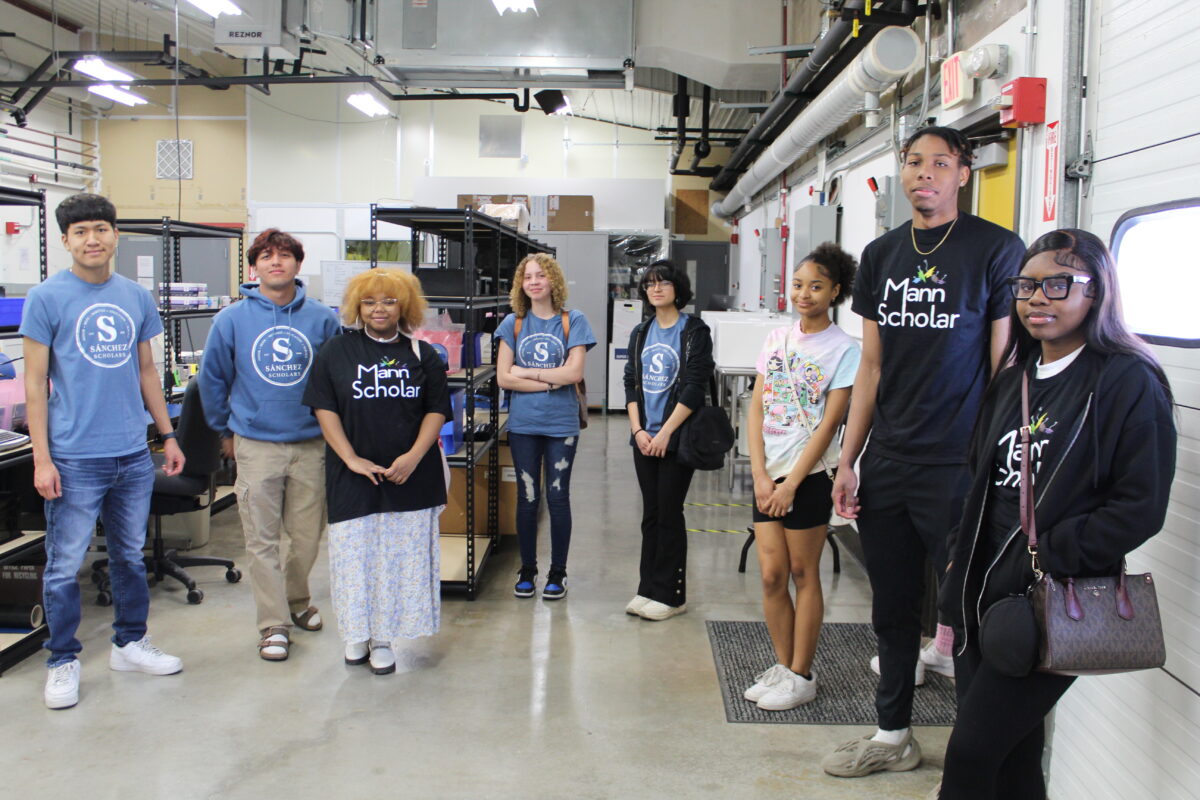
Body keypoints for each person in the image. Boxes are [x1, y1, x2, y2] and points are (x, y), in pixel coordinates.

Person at [934, 229, 1176, 799]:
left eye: (1058, 284)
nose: (1038, 297)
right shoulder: (1013, 378)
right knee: (1013, 759)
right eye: (1027, 285)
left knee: (969, 758)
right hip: (978, 594)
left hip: (1050, 599)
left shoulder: (1126, 380)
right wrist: (955, 556)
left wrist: (1056, 555)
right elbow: (978, 480)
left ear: (1098, 293)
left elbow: (1140, 505)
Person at [822, 126, 1026, 777]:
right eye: (914, 162)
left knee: (965, 611)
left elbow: (1002, 366)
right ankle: (892, 734)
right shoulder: (882, 254)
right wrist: (848, 459)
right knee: (891, 608)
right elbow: (872, 367)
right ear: (903, 173)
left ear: (963, 173)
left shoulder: (996, 250)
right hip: (889, 464)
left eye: (941, 162)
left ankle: (975, 743)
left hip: (960, 467)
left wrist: (994, 462)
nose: (925, 173)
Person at [22, 193, 186, 710]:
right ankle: (62, 659)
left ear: (115, 235)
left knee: (129, 559)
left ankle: (129, 643)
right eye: (80, 232)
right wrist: (42, 459)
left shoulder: (135, 297)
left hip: (132, 455)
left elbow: (146, 372)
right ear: (66, 241)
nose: (92, 239)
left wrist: (167, 435)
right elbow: (34, 384)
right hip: (74, 456)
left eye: (101, 229)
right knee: (64, 564)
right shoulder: (46, 297)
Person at [199, 229, 341, 662]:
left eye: (284, 256)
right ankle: (272, 623)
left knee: (306, 538)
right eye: (266, 256)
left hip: (312, 443)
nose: (275, 262)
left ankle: (298, 602)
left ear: (298, 265)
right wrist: (224, 431)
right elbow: (213, 380)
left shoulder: (322, 318)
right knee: (260, 541)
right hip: (255, 444)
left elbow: (336, 379)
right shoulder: (232, 319)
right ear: (253, 266)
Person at [301, 268, 450, 675]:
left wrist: (415, 456)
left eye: (388, 300)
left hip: (410, 476)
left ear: (405, 306)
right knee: (354, 557)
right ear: (356, 307)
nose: (378, 309)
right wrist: (350, 458)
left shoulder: (424, 355)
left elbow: (437, 410)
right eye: (369, 301)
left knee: (395, 560)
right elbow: (324, 408)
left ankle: (383, 636)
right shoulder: (335, 351)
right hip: (353, 476)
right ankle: (356, 633)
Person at [743, 243, 860, 711]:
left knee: (800, 571)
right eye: (797, 285)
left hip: (808, 477)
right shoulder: (776, 340)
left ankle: (802, 673)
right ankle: (782, 664)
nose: (804, 294)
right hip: (767, 475)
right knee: (771, 575)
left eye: (815, 286)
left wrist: (792, 482)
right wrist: (759, 475)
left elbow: (832, 422)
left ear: (835, 291)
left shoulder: (845, 349)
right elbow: (756, 406)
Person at [495, 253, 596, 600]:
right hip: (524, 424)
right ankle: (527, 570)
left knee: (557, 497)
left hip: (561, 425)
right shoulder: (514, 323)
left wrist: (528, 373)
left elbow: (574, 374)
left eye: (541, 275)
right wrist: (552, 381)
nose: (534, 281)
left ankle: (558, 573)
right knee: (527, 497)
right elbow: (503, 378)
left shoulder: (574, 320)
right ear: (521, 285)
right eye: (527, 277)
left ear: (553, 280)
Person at [622, 260, 714, 621]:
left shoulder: (694, 331)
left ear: (678, 288)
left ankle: (672, 595)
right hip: (644, 436)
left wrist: (665, 433)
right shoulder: (641, 332)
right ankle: (648, 588)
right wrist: (638, 430)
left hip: (676, 437)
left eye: (662, 283)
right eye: (649, 284)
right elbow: (630, 381)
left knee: (669, 512)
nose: (655, 289)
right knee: (651, 513)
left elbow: (695, 388)